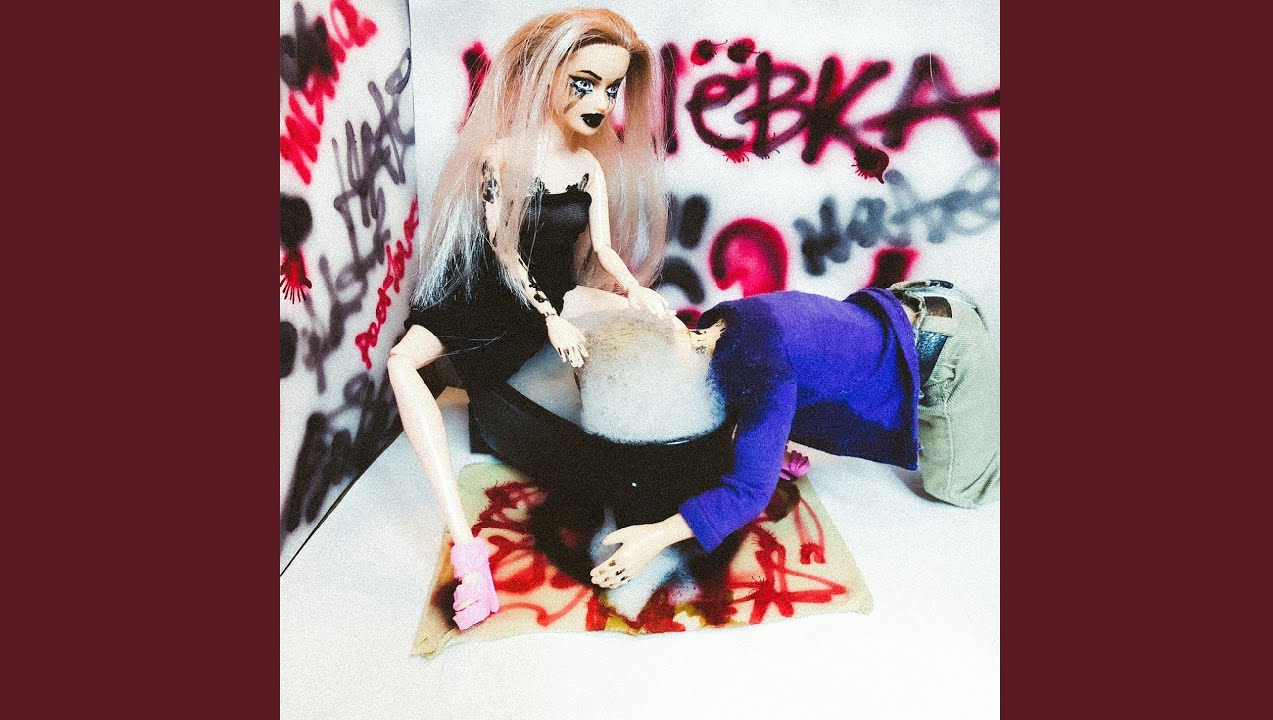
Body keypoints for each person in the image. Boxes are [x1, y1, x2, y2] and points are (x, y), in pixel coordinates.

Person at [388, 9, 671, 629]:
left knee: (658, 325)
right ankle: (468, 550)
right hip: (490, 300)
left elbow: (603, 249)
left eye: (612, 89)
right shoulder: (502, 159)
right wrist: (552, 321)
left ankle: (738, 439)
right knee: (402, 362)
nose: (600, 103)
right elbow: (506, 255)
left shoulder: (589, 167)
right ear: (547, 76)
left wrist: (634, 290)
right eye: (584, 84)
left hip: (554, 303)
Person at [588, 280, 1000, 589]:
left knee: (957, 490)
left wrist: (656, 536)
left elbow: (749, 492)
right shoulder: (715, 327)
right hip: (912, 301)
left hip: (947, 348)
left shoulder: (761, 369)